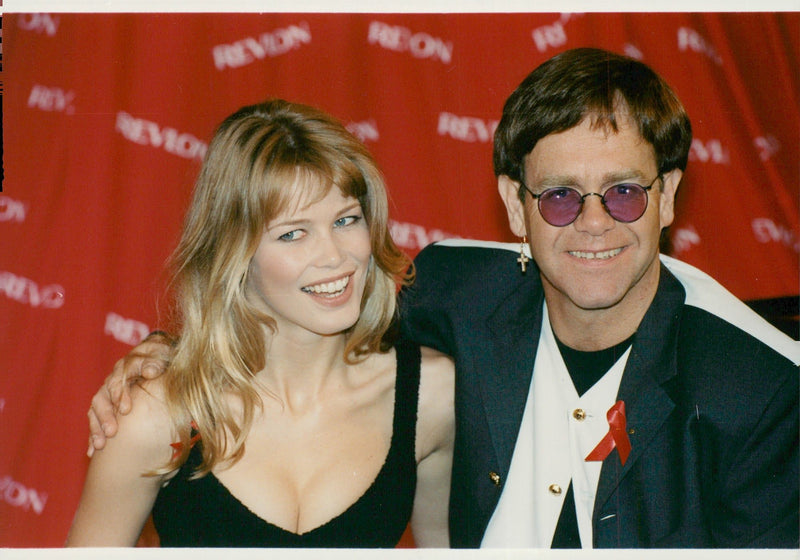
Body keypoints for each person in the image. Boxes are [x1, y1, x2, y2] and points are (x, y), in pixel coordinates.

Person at [87, 49, 800, 548]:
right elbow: (312, 316)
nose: (592, 222)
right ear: (513, 207)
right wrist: (165, 356)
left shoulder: (757, 388)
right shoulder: (459, 293)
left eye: (623, 192)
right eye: (557, 198)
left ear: (668, 194)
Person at [67, 99, 455, 547]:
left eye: (346, 220)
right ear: (235, 252)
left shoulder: (432, 397)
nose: (335, 257)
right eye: (293, 233)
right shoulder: (159, 415)